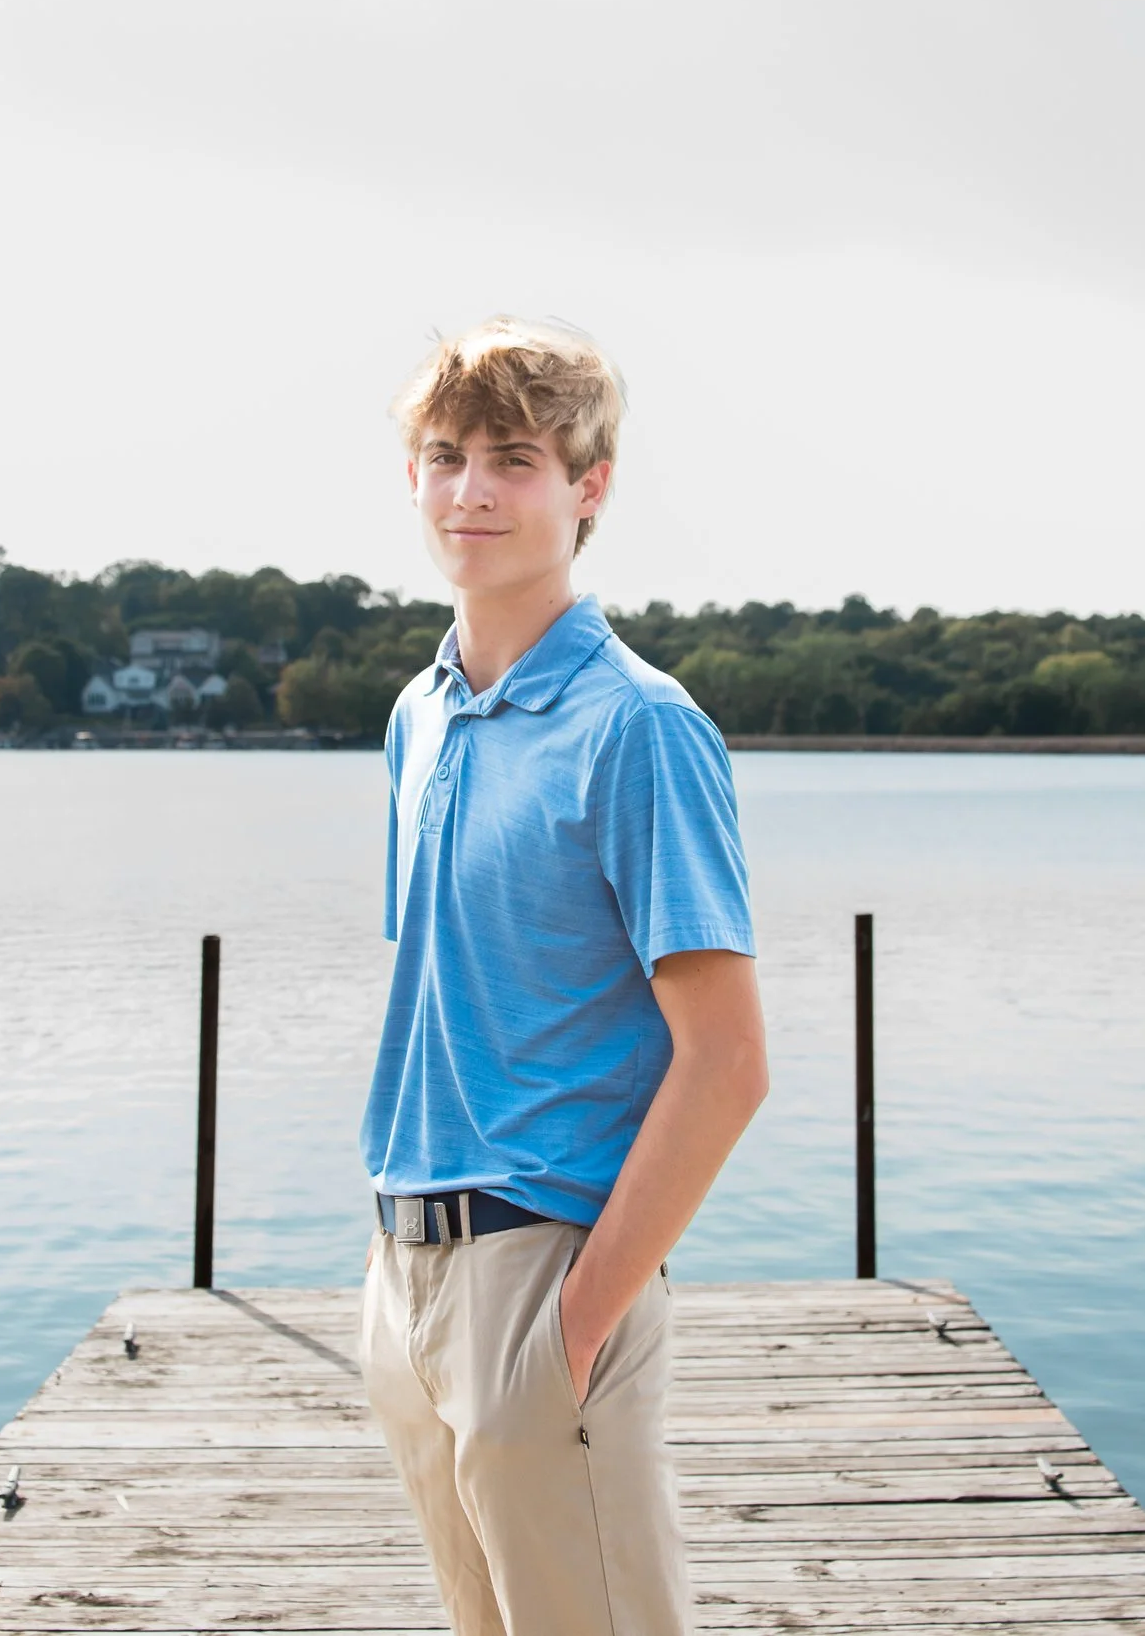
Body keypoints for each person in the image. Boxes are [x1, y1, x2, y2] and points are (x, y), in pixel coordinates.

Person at [358, 315, 770, 1635]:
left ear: (589, 488)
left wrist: (581, 1319)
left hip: (542, 1265)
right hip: (405, 1264)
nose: (471, 490)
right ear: (413, 478)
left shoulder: (638, 727)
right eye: (446, 456)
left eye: (515, 459)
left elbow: (727, 1063)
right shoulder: (420, 715)